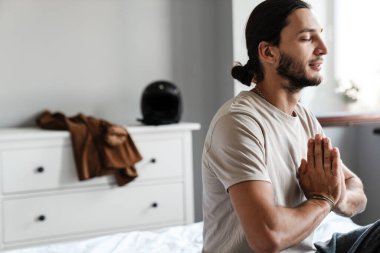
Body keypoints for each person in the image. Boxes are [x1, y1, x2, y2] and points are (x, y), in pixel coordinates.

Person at [201, 0, 380, 252]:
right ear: (268, 53)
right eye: (307, 38)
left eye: (321, 36)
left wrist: (334, 193)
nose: (323, 49)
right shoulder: (238, 122)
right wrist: (322, 200)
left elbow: (356, 191)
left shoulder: (305, 118)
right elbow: (268, 237)